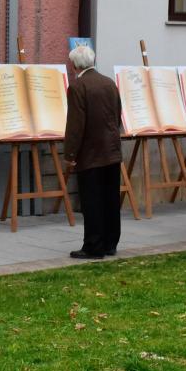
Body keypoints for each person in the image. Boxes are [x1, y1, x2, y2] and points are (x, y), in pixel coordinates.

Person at [62, 43, 122, 260]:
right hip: (112, 151)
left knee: (92, 200)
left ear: (75, 65)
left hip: (91, 153)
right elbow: (117, 115)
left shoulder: (78, 87)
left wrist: (70, 155)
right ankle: (110, 243)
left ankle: (94, 246)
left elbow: (75, 125)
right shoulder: (109, 83)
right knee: (110, 198)